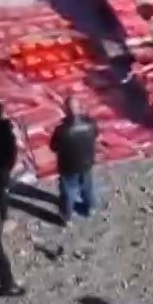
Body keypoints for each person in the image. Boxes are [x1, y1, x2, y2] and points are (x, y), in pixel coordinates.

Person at [50, 96, 99, 224]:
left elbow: (53, 147)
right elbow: (96, 134)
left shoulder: (61, 130)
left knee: (69, 192)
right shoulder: (91, 124)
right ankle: (90, 208)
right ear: (79, 108)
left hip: (68, 166)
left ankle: (65, 217)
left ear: (65, 110)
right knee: (87, 186)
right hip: (87, 163)